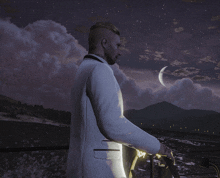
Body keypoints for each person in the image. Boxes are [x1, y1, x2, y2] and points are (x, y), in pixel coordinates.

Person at [66, 22, 174, 178]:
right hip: (98, 169)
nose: (119, 51)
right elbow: (112, 124)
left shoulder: (83, 69)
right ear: (104, 43)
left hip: (79, 165)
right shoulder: (100, 70)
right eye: (117, 45)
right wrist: (157, 147)